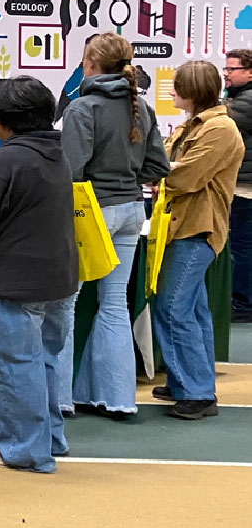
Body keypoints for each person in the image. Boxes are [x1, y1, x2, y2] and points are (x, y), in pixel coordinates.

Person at [0, 76, 76, 473]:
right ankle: (49, 438)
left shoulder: (4, 160)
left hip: (13, 279)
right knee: (44, 361)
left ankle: (24, 448)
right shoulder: (58, 154)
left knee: (15, 365)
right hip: (58, 275)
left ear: (3, 120)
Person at [60, 34, 170, 418]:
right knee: (114, 304)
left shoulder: (82, 107)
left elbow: (71, 171)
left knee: (65, 305)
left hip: (92, 212)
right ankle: (118, 397)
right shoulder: (142, 107)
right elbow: (159, 167)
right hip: (131, 209)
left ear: (89, 64)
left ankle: (58, 400)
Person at [152, 61, 245, 419]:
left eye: (177, 85)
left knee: (173, 307)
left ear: (194, 90)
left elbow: (186, 177)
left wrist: (164, 172)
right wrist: (168, 169)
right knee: (192, 309)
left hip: (197, 227)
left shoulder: (219, 129)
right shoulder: (196, 125)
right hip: (182, 225)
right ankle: (188, 382)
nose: (172, 90)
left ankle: (197, 392)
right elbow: (169, 164)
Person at [220, 49, 252, 321]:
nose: (226, 74)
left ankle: (243, 302)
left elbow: (222, 117)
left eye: (233, 69)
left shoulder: (246, 101)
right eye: (226, 69)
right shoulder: (238, 98)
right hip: (240, 185)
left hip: (244, 188)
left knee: (241, 247)